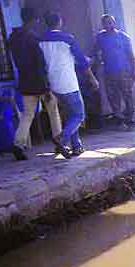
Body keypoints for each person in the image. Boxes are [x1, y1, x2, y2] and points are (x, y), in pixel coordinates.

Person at [39, 12, 98, 158]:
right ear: (59, 22)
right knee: (79, 115)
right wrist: (92, 78)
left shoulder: (40, 41)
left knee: (71, 115)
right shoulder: (68, 39)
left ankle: (76, 146)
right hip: (68, 83)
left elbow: (43, 63)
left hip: (53, 83)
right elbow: (82, 62)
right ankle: (61, 139)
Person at [7, 7, 62, 161]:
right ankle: (59, 141)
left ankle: (18, 144)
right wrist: (46, 86)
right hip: (39, 81)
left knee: (27, 115)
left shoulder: (13, 37)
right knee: (53, 110)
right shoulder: (33, 38)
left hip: (25, 82)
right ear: (33, 20)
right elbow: (40, 64)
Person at [92, 14, 135, 131]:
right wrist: (96, 60)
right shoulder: (100, 37)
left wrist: (134, 71)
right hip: (109, 72)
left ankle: (130, 120)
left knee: (128, 96)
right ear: (103, 25)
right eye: (106, 23)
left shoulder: (123, 37)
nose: (109, 25)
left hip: (124, 72)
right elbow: (96, 52)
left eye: (110, 22)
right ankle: (119, 121)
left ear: (114, 23)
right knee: (113, 97)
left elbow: (131, 56)